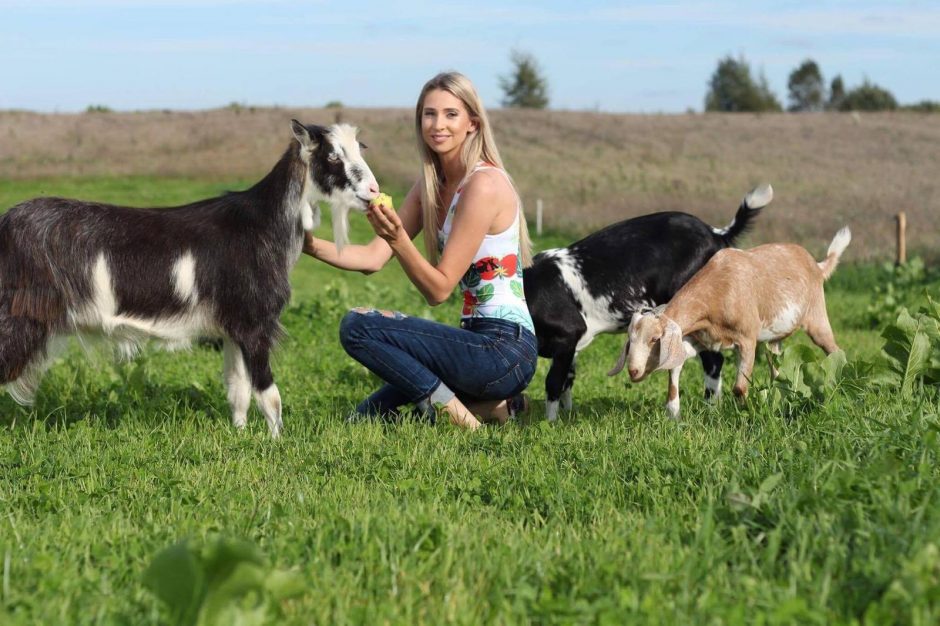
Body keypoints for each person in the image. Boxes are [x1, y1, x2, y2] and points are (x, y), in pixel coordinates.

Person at [303, 71, 537, 429]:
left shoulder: (484, 185)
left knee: (358, 327)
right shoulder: (431, 184)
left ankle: (462, 420)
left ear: (473, 123)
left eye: (450, 114)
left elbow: (439, 289)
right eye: (429, 114)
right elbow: (371, 258)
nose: (437, 124)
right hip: (473, 343)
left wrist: (399, 239)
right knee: (365, 419)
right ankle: (493, 407)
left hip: (504, 351)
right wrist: (301, 241)